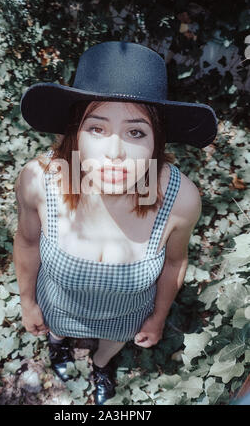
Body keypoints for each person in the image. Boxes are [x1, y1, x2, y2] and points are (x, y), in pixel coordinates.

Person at [13, 41, 218, 405]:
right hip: (58, 307)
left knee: (109, 348)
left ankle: (102, 363)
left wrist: (157, 318)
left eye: (135, 132)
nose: (115, 153)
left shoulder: (181, 199)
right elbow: (28, 243)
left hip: (125, 317)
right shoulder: (38, 181)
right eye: (97, 128)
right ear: (75, 132)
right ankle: (58, 346)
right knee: (56, 332)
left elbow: (174, 262)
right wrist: (29, 303)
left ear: (156, 141)